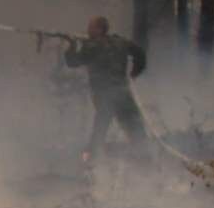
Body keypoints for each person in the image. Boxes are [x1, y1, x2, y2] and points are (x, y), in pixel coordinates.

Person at [63, 15, 151, 161]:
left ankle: (91, 164)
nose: (88, 30)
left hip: (106, 96)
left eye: (91, 27)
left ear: (99, 29)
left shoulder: (92, 46)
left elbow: (73, 62)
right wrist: (135, 71)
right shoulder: (120, 41)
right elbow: (140, 54)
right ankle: (147, 162)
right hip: (123, 93)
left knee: (99, 132)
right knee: (136, 128)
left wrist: (71, 45)